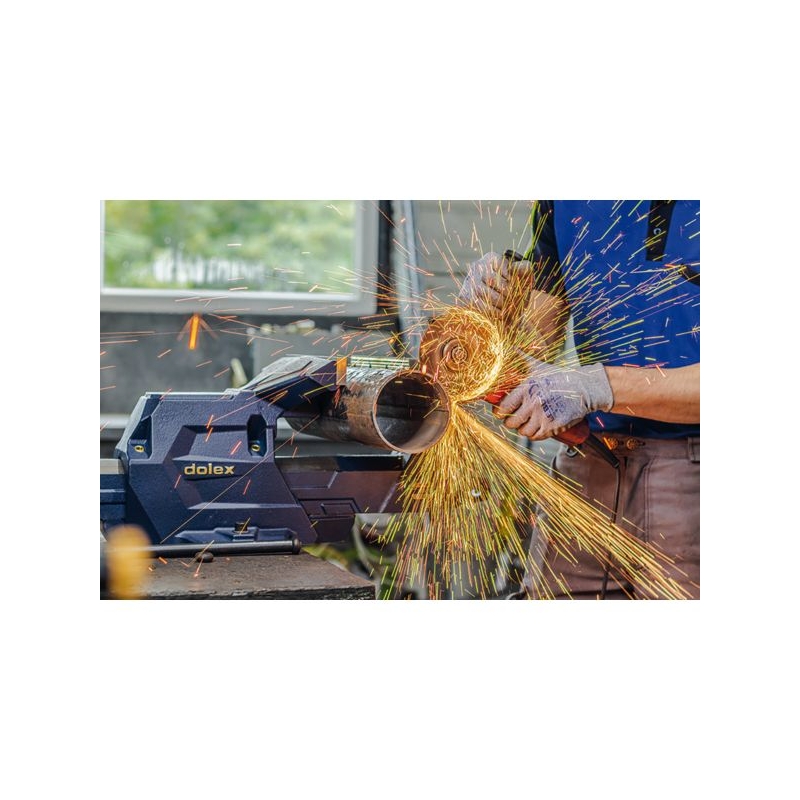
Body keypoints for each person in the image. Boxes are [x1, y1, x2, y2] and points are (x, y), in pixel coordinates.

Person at [458, 200, 700, 599]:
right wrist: (497, 309)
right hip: (587, 468)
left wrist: (594, 386)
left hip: (692, 477)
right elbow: (535, 343)